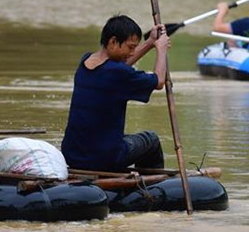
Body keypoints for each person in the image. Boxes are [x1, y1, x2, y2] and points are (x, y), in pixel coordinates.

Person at [61, 16, 170, 172]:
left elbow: (120, 68)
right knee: (151, 139)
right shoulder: (118, 73)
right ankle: (151, 187)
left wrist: (150, 42)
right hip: (103, 158)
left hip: (72, 155)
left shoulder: (86, 61)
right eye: (130, 47)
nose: (132, 53)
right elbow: (159, 81)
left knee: (124, 138)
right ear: (113, 42)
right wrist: (161, 49)